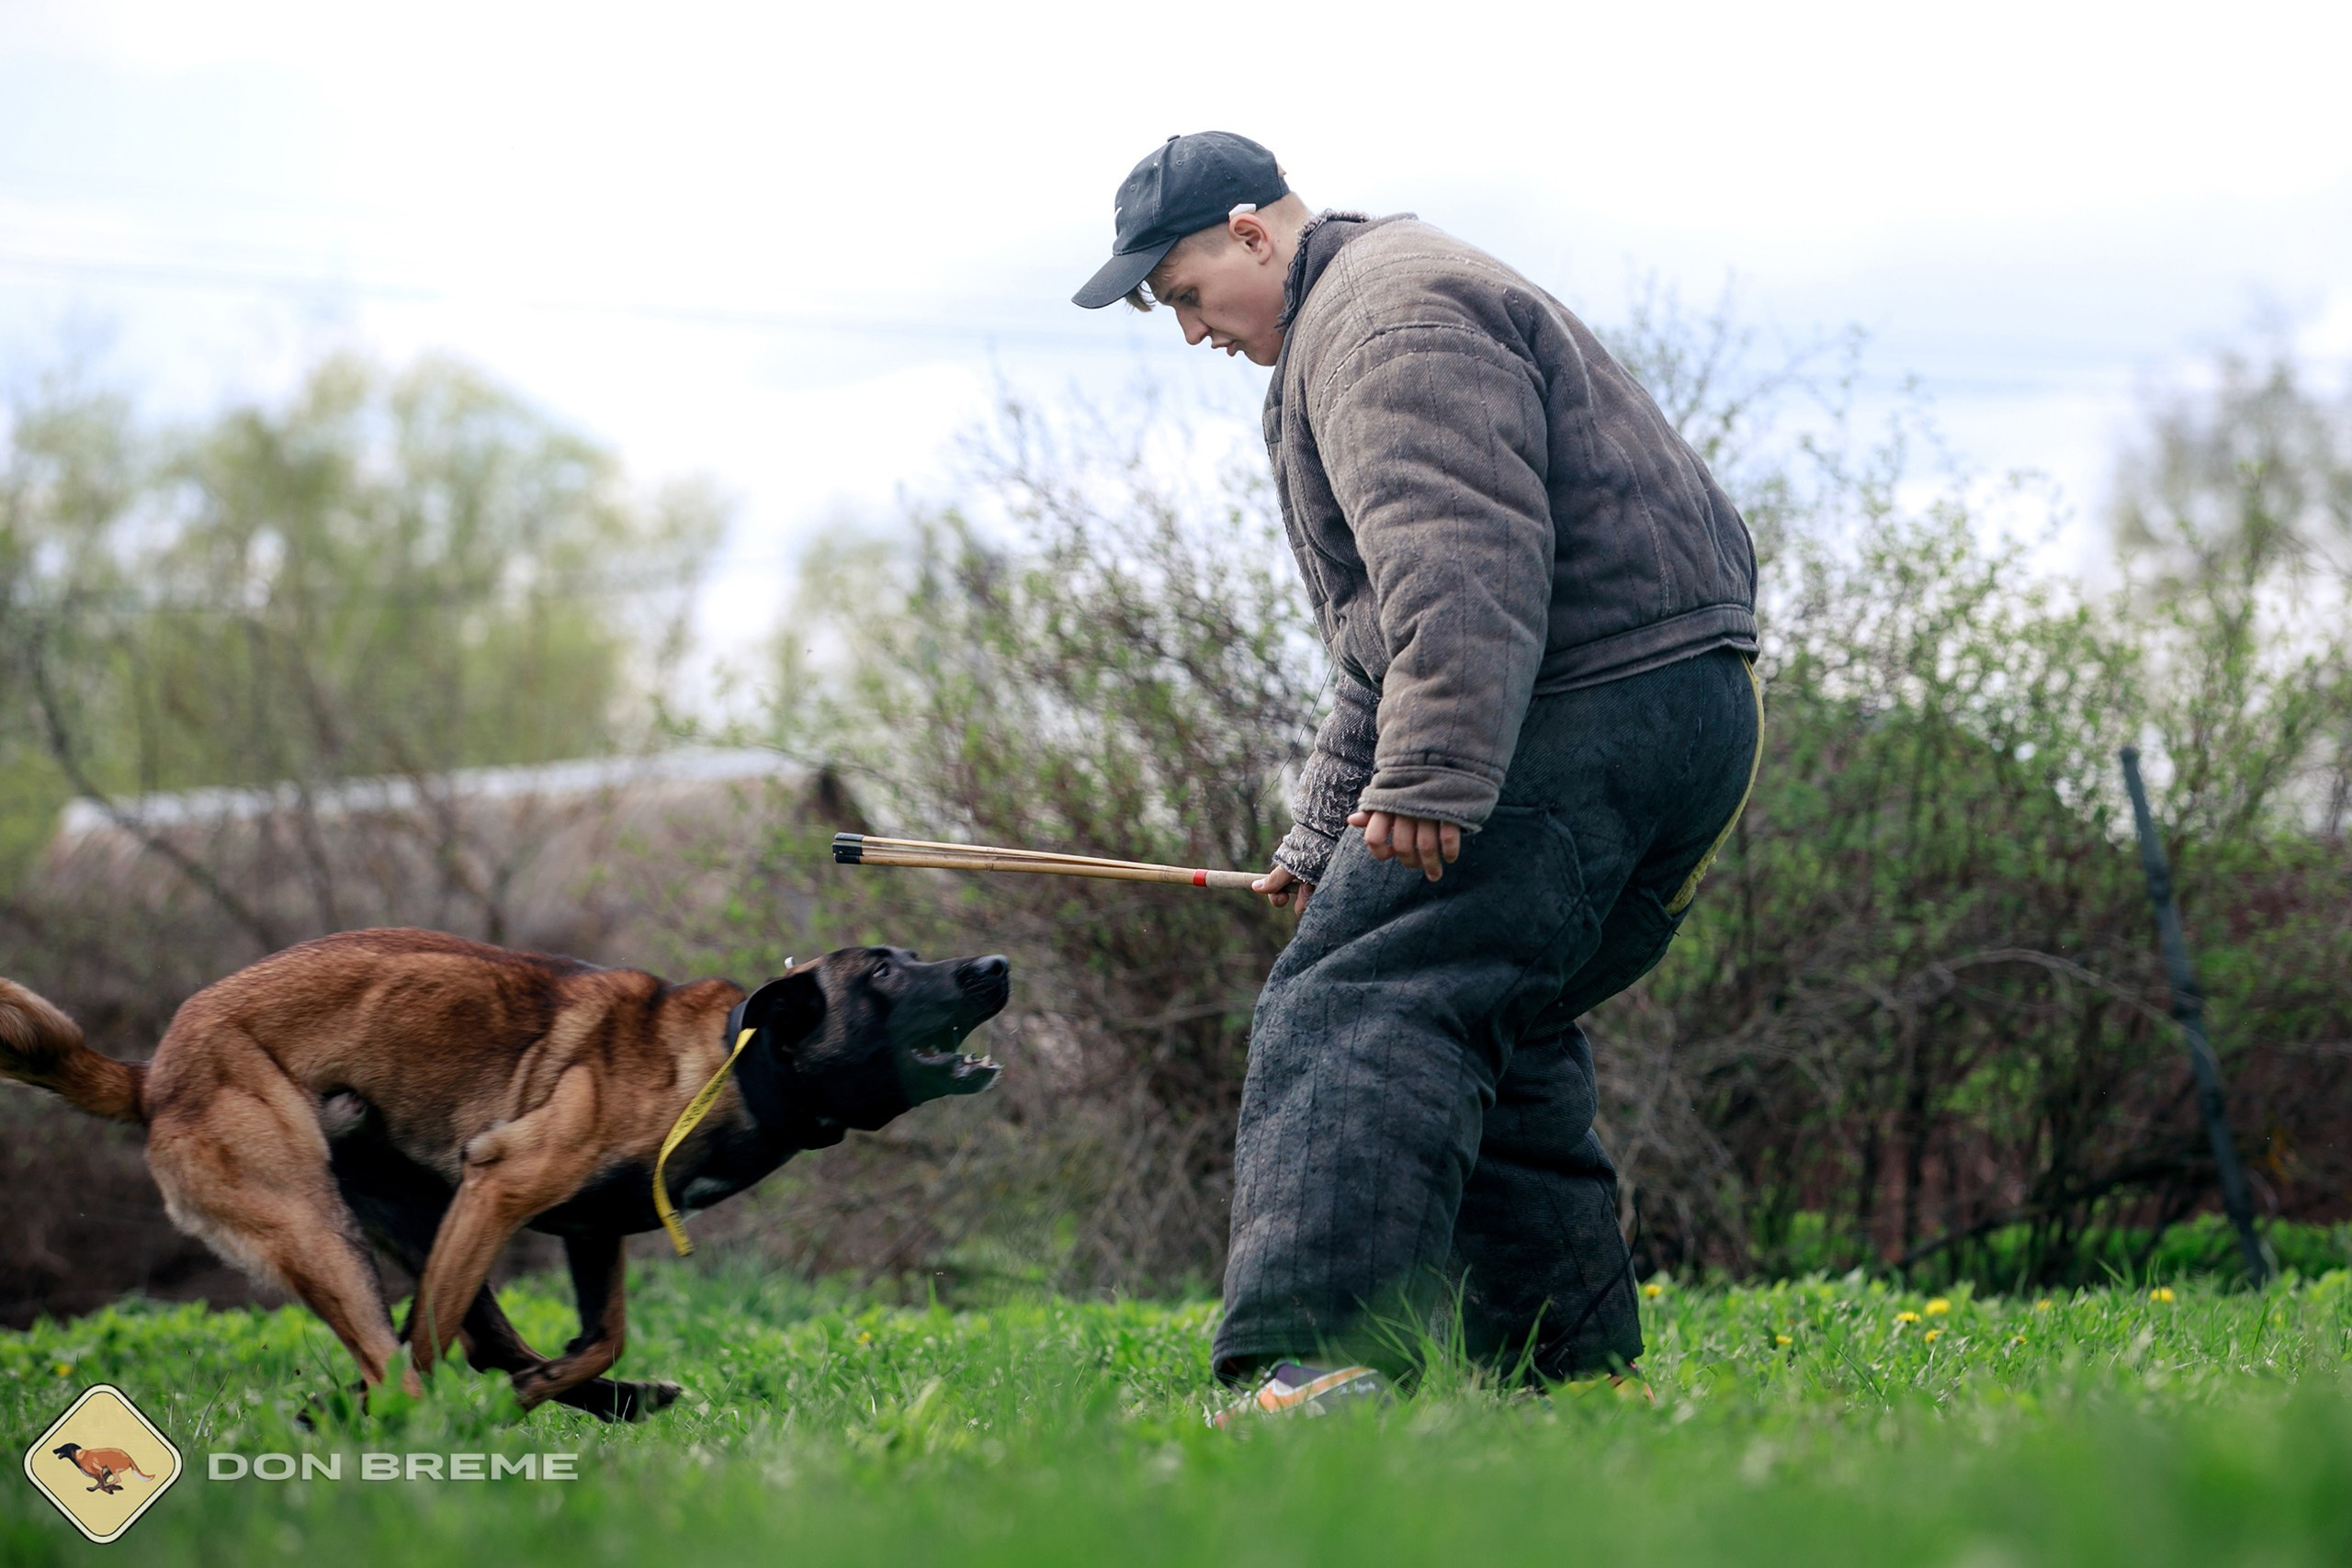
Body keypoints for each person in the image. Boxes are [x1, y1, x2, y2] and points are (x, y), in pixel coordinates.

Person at [1073, 132, 1761, 1417]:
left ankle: (1317, 1362)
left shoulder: (1384, 321)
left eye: (1179, 294)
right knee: (1488, 1008)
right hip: (1667, 702)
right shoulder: (1375, 305)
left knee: (1356, 999)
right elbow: (1384, 642)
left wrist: (1435, 780)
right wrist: (1326, 834)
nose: (1188, 333)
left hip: (1588, 699)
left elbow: (1465, 568)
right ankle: (1568, 1377)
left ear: (1251, 234)